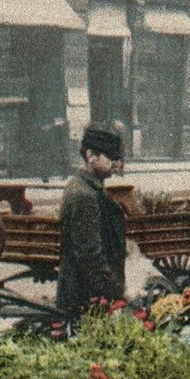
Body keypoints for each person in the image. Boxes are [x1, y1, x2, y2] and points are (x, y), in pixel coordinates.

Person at [56, 125, 126, 319]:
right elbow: (89, 254)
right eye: (111, 157)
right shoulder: (84, 195)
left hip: (86, 295)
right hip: (86, 299)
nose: (116, 164)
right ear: (91, 156)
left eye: (117, 158)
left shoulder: (85, 187)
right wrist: (115, 291)